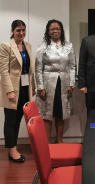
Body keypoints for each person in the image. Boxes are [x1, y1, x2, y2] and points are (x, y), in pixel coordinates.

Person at [35, 19, 76, 143]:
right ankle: (47, 143)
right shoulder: (42, 47)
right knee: (47, 114)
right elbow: (38, 69)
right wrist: (40, 88)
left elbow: (72, 66)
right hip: (48, 84)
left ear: (61, 31)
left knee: (61, 113)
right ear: (48, 31)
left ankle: (59, 141)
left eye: (58, 29)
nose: (55, 31)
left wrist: (72, 84)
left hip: (64, 83)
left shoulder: (69, 46)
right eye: (52, 29)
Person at [0, 20, 35, 162]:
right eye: (18, 30)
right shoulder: (5, 46)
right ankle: (12, 150)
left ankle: (13, 146)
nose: (21, 33)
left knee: (19, 119)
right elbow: (4, 71)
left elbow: (30, 69)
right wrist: (9, 91)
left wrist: (32, 86)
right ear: (12, 31)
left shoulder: (28, 46)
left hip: (25, 89)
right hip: (13, 89)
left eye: (23, 30)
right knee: (10, 120)